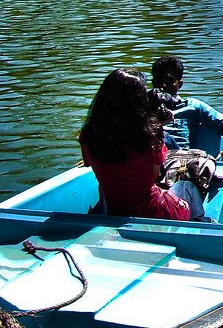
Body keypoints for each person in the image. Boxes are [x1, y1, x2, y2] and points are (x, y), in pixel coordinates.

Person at [79, 68, 202, 220]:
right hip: (154, 211)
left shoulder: (87, 137)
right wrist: (157, 127)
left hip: (115, 210)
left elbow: (92, 161)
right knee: (186, 187)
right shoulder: (150, 139)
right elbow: (155, 175)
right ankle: (203, 222)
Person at [151, 56, 223, 161]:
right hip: (150, 158)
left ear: (179, 84)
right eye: (158, 80)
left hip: (179, 159)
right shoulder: (142, 106)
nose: (162, 86)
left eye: (169, 81)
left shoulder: (192, 106)